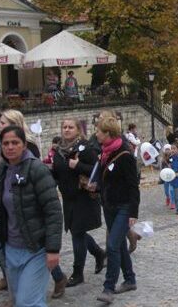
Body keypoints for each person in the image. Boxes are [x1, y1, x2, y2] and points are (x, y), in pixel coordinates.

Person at [0, 125, 63, 307]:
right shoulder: (2, 171)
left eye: (15, 143)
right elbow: (0, 214)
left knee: (28, 302)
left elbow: (53, 211)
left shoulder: (37, 169)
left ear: (24, 145)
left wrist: (53, 249)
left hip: (36, 249)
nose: (10, 147)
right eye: (6, 143)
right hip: (11, 249)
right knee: (21, 300)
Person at [52, 119, 105, 287]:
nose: (67, 130)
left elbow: (97, 170)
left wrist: (78, 165)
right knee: (78, 232)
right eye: (64, 127)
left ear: (78, 129)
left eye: (70, 127)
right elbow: (58, 172)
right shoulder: (59, 150)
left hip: (83, 197)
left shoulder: (85, 147)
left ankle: (78, 273)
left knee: (77, 232)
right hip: (68, 198)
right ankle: (99, 253)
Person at [93, 117, 139, 303]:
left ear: (108, 134)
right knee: (119, 244)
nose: (96, 134)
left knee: (112, 245)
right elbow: (107, 181)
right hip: (109, 205)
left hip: (123, 206)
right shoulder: (105, 153)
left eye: (99, 131)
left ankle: (108, 287)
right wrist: (95, 188)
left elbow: (133, 186)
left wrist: (133, 213)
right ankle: (130, 279)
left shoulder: (124, 154)